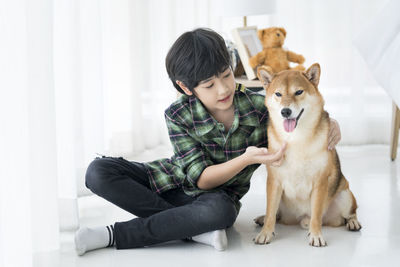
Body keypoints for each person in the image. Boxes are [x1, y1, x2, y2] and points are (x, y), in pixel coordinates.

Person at [74, 28, 341, 255]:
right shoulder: (177, 114)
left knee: (219, 213)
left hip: (216, 200)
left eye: (225, 75)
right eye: (209, 85)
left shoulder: (260, 106)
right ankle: (193, 232)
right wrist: (246, 159)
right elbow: (200, 178)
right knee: (98, 172)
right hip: (169, 181)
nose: (223, 89)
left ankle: (112, 235)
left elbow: (299, 110)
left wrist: (333, 124)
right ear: (186, 88)